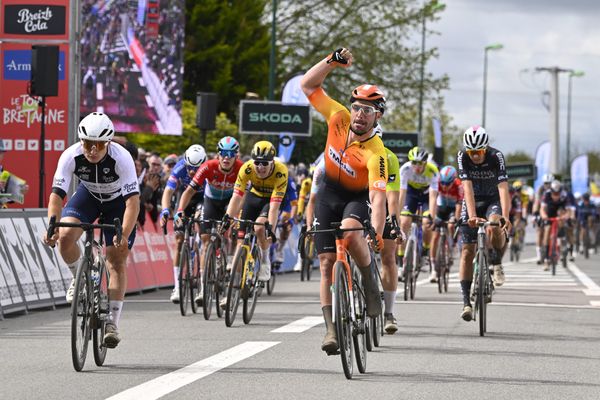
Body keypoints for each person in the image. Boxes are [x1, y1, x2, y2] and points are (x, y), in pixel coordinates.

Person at [300, 47, 387, 354]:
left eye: (368, 111)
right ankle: (330, 331)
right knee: (325, 264)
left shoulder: (377, 153)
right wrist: (332, 61)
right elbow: (308, 86)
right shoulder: (337, 117)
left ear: (377, 116)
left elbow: (377, 197)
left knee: (351, 234)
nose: (360, 114)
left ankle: (369, 283)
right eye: (357, 107)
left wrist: (375, 232)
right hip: (329, 192)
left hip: (357, 196)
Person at [43, 112, 140, 348]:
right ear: (81, 142)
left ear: (107, 143)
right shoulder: (71, 155)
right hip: (88, 196)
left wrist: (123, 234)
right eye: (87, 144)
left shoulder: (122, 158)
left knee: (116, 259)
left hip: (118, 202)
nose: (92, 150)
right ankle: (79, 277)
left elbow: (133, 203)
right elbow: (57, 195)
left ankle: (112, 324)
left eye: (98, 145)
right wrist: (52, 226)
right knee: (65, 237)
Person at [176, 137, 242, 305]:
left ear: (236, 155)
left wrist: (237, 215)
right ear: (218, 155)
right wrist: (179, 211)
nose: (226, 158)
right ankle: (204, 288)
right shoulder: (208, 166)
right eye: (223, 154)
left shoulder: (241, 168)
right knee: (206, 240)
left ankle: (229, 258)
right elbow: (189, 191)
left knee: (233, 230)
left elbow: (244, 196)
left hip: (230, 202)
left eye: (231, 154)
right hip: (211, 201)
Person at [457, 126, 511, 322]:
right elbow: (467, 189)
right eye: (472, 152)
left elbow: (504, 188)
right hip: (472, 201)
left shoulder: (496, 157)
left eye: (479, 152)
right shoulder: (462, 156)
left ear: (485, 148)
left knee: (495, 223)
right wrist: (471, 216)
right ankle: (466, 302)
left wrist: (505, 215)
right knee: (466, 252)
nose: (475, 156)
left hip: (492, 200)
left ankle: (496, 262)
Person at [222, 141, 288, 284]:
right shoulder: (247, 168)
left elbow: (274, 208)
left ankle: (265, 260)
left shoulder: (281, 171)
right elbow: (237, 197)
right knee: (240, 242)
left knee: (259, 227)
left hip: (271, 200)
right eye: (257, 162)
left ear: (272, 162)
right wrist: (228, 217)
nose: (260, 167)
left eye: (265, 163)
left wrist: (271, 228)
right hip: (254, 196)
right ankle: (233, 287)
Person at [160, 144, 207, 303]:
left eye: (196, 168)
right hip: (185, 198)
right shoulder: (179, 167)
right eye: (189, 167)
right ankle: (177, 286)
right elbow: (168, 191)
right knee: (179, 240)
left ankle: (202, 283)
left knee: (203, 231)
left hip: (203, 199)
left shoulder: (208, 170)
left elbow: (212, 197)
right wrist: (165, 210)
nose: (192, 171)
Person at [397, 146, 439, 283]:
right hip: (411, 194)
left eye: (419, 164)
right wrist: (397, 214)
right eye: (414, 163)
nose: (416, 167)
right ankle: (400, 261)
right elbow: (401, 194)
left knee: (427, 223)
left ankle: (425, 252)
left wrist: (431, 216)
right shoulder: (405, 169)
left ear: (425, 163)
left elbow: (433, 197)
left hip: (426, 196)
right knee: (404, 222)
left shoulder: (432, 171)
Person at [430, 165, 463, 281]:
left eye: (447, 183)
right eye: (442, 183)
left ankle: (452, 245)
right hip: (442, 208)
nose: (444, 186)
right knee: (434, 236)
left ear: (453, 180)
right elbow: (433, 199)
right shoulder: (438, 182)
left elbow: (459, 205)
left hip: (453, 209)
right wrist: (432, 217)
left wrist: (456, 219)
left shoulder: (459, 185)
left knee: (450, 225)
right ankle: (433, 268)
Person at [540, 180, 576, 270]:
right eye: (554, 193)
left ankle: (562, 239)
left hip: (560, 210)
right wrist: (544, 216)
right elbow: (542, 209)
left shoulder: (564, 195)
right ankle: (546, 260)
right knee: (547, 231)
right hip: (550, 211)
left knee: (562, 218)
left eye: (557, 193)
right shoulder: (546, 194)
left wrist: (565, 217)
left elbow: (568, 211)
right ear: (551, 191)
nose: (556, 196)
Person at [532, 173, 554, 264]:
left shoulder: (555, 189)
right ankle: (538, 255)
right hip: (542, 211)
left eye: (549, 183)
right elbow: (536, 203)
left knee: (549, 233)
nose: (547, 185)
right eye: (545, 183)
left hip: (552, 211)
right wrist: (535, 215)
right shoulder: (540, 190)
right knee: (539, 232)